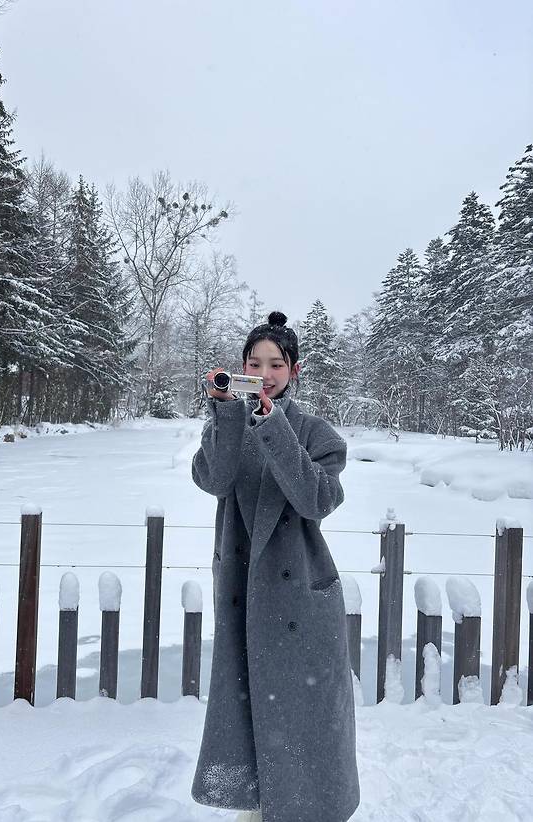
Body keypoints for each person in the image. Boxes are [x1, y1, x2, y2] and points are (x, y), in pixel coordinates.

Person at [190, 311, 360, 822]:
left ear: (295, 370)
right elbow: (214, 481)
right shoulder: (226, 424)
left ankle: (308, 809)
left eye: (276, 365)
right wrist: (226, 415)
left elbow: (317, 499)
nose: (263, 374)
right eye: (253, 363)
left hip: (300, 599)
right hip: (243, 593)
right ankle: (255, 807)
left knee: (305, 719)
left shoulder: (316, 433)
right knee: (247, 710)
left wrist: (274, 427)